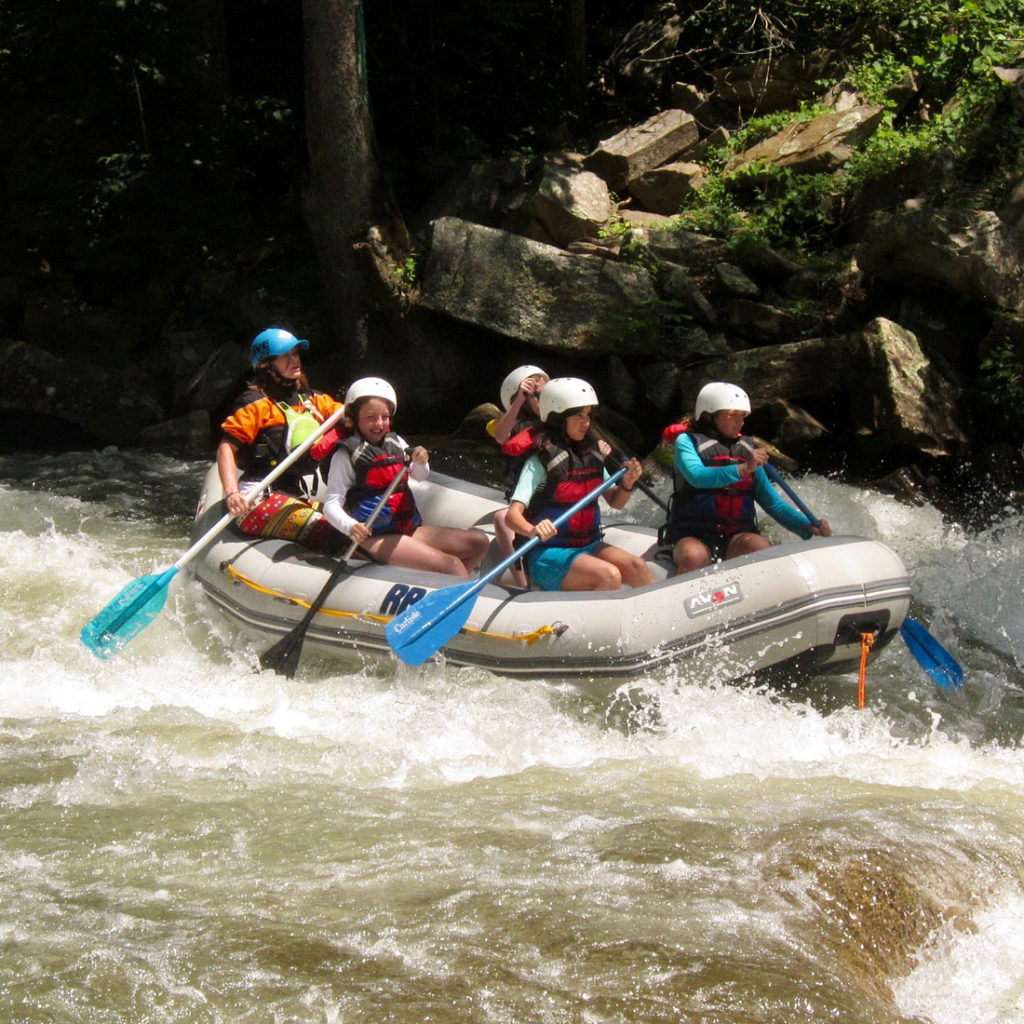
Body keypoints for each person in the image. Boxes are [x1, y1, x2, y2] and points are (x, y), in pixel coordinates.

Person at [322, 377, 490, 578]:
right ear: (355, 417)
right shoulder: (345, 455)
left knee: (479, 542)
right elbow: (331, 504)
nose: (379, 423)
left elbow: (420, 476)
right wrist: (350, 527)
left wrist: (421, 461)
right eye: (371, 417)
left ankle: (444, 587)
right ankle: (454, 584)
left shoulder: (396, 442)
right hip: (372, 537)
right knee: (452, 566)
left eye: (384, 417)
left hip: (405, 529)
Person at [504, 377, 655, 592]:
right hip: (547, 553)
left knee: (637, 567)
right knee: (608, 575)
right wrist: (533, 529)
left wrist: (627, 484)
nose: (586, 423)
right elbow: (512, 516)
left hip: (588, 545)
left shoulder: (591, 455)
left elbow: (616, 502)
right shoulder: (540, 461)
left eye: (588, 415)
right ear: (558, 418)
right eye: (578, 416)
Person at [666, 381, 831, 574]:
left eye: (742, 416)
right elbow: (697, 476)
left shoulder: (746, 450)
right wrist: (743, 468)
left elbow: (773, 504)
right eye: (732, 415)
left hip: (735, 538)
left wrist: (807, 525)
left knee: (758, 546)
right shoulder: (686, 442)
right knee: (694, 556)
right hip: (691, 536)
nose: (740, 421)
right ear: (710, 417)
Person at [217, 327, 346, 552]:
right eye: (285, 355)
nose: (294, 359)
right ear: (266, 364)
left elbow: (350, 415)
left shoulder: (313, 400)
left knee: (349, 521)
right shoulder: (256, 403)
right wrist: (232, 493)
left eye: (295, 353)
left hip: (293, 493)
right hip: (257, 496)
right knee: (336, 533)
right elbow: (226, 448)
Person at [486, 365, 550, 587]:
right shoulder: (514, 423)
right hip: (525, 501)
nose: (540, 399)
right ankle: (523, 585)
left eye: (544, 393)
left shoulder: (560, 421)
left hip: (552, 499)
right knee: (503, 520)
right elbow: (501, 436)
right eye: (534, 395)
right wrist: (520, 400)